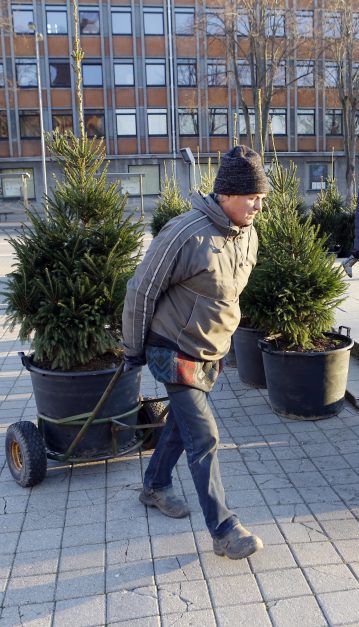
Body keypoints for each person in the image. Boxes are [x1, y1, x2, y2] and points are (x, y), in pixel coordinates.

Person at [122, 145, 268, 560]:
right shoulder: (186, 233)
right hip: (172, 349)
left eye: (262, 197)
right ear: (225, 195)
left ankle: (153, 486)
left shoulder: (248, 233)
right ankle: (224, 529)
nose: (258, 205)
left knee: (182, 426)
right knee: (203, 435)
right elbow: (141, 290)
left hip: (209, 352)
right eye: (251, 197)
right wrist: (133, 349)